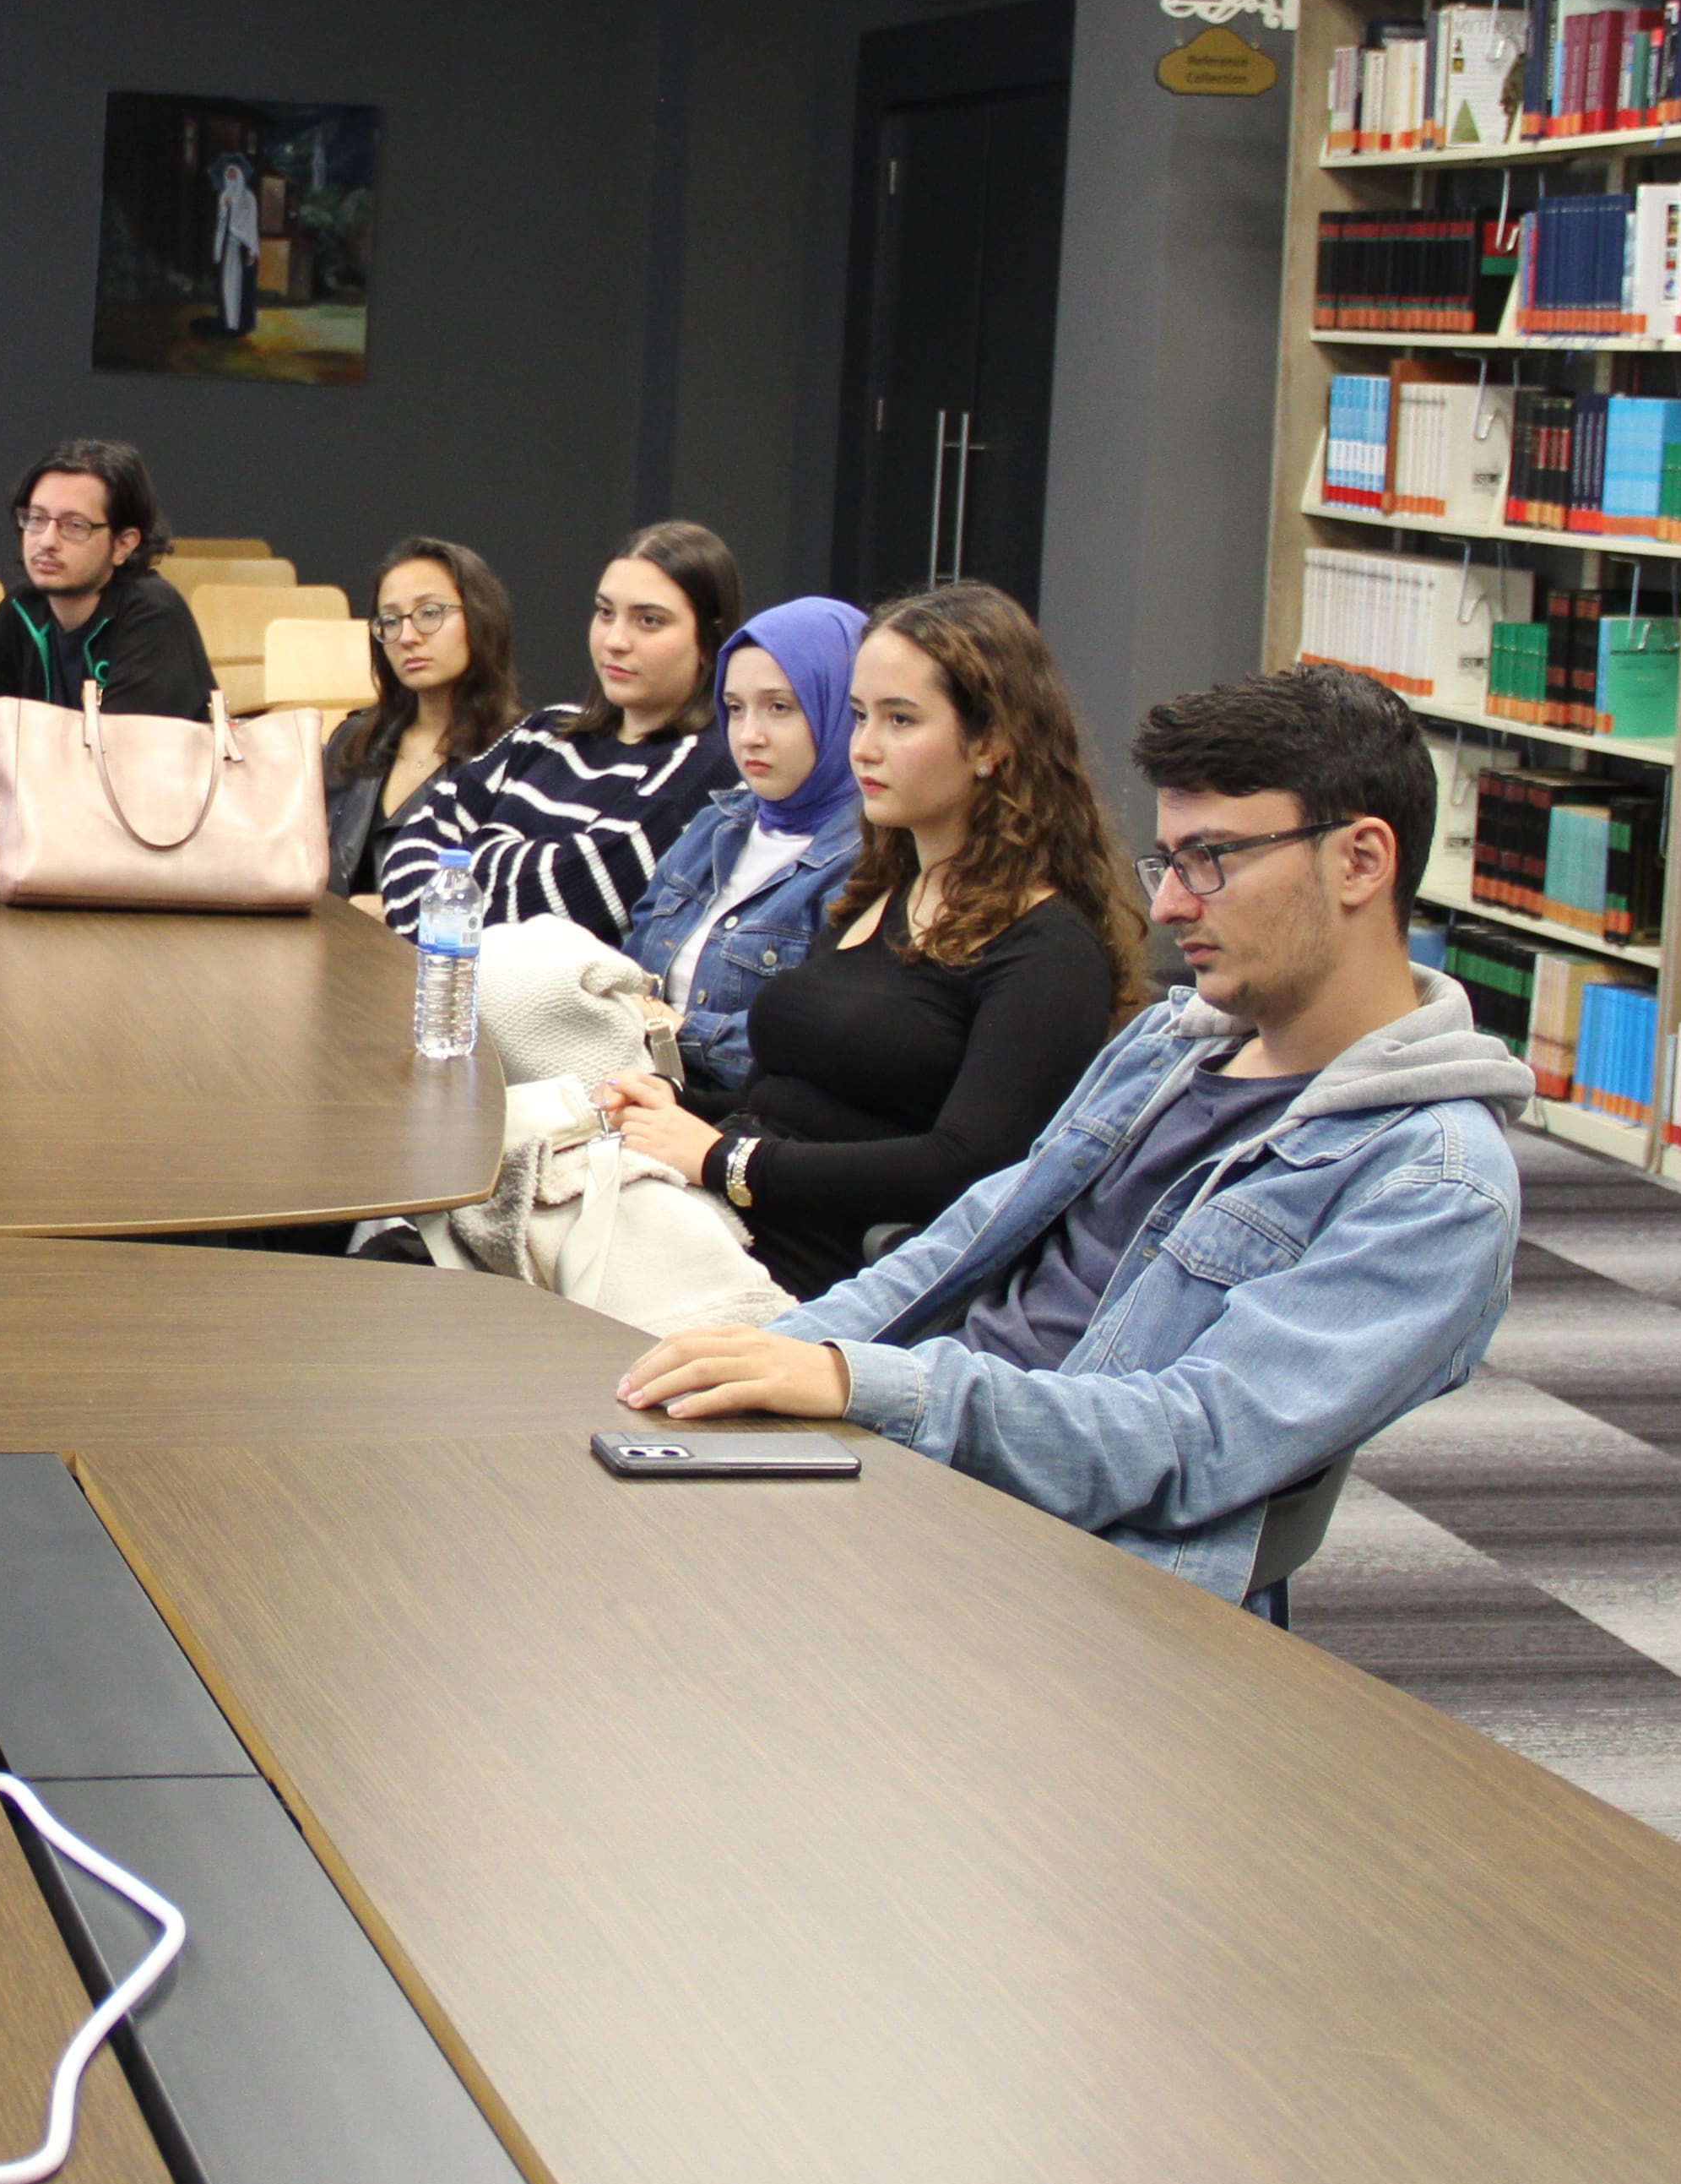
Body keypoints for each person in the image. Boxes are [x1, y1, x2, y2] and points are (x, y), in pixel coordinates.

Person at [613, 666, 1531, 1602]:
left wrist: (862, 1384)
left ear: (1361, 862)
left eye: (1211, 859)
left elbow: (1189, 1442)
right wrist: (774, 1361)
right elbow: (958, 1245)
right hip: (917, 1471)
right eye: (1168, 863)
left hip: (1056, 1574)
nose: (1170, 906)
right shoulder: (1169, 1046)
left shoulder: (1433, 1185)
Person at [597, 581, 1142, 1301]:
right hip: (729, 1212)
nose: (864, 748)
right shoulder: (879, 893)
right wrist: (673, 1106)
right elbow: (782, 1102)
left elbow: (968, 1169)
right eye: (858, 716)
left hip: (820, 1275)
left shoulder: (1049, 948)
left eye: (900, 720)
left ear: (991, 742)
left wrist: (727, 1161)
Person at [375, 521, 741, 937]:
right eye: (605, 613)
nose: (615, 640)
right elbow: (405, 860)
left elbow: (571, 898)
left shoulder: (708, 766)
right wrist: (524, 862)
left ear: (709, 638)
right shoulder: (547, 730)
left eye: (650, 620)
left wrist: (474, 854)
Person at [619, 595, 867, 1089]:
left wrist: (676, 1031)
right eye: (735, 709)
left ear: (842, 708)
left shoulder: (868, 860)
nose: (749, 735)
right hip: (636, 1087)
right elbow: (629, 973)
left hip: (737, 1118)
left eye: (779, 707)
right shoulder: (716, 825)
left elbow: (820, 1046)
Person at [0, 437, 216, 785]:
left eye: (74, 526)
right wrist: (45, 758)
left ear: (123, 544)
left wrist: (17, 752)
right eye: (36, 519)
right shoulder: (23, 608)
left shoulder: (154, 615)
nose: (46, 541)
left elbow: (113, 765)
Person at [324, 536, 520, 907]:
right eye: (390, 620)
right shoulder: (353, 743)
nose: (407, 637)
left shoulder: (519, 754)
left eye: (429, 613)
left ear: (480, 618)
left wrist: (401, 911)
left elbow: (521, 898)